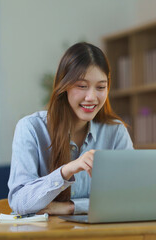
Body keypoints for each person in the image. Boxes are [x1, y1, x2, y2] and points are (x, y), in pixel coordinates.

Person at [8, 42, 134, 215]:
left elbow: (130, 199)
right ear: (64, 86)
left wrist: (71, 207)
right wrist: (68, 170)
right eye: (82, 86)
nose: (91, 97)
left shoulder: (115, 132)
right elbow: (20, 202)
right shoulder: (30, 128)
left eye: (101, 87)